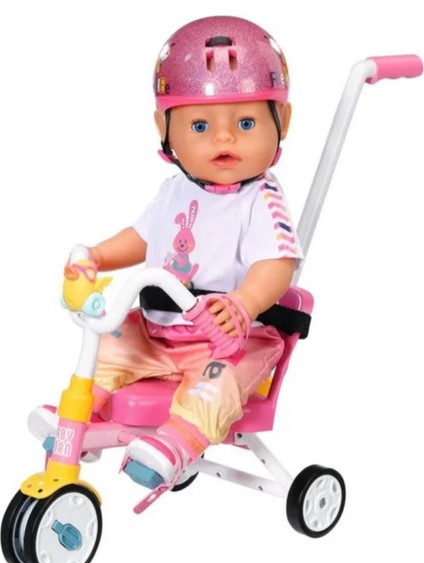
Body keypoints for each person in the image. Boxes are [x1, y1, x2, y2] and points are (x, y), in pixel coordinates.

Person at [33, 16, 303, 490]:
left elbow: (277, 263)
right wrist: (96, 255)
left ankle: (177, 442)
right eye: (200, 125)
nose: (224, 139)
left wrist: (244, 303)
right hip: (157, 332)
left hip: (229, 342)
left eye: (245, 123)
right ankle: (83, 411)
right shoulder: (174, 190)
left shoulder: (262, 200)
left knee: (217, 385)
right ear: (164, 129)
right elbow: (141, 237)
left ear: (282, 122)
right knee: (110, 342)